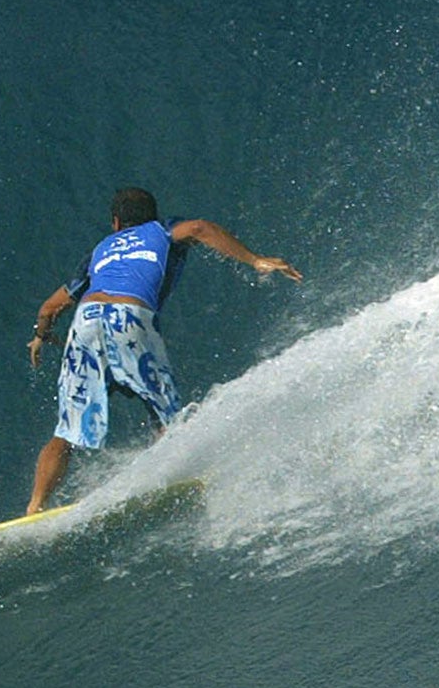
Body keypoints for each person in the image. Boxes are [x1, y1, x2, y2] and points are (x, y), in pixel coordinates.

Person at [25, 187, 300, 515]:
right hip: (130, 316)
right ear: (151, 215)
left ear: (115, 223)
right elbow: (200, 228)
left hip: (86, 319)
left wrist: (40, 337)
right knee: (167, 417)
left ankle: (36, 505)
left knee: (66, 429)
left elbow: (50, 307)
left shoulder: (100, 251)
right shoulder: (163, 230)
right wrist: (255, 260)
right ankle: (165, 479)